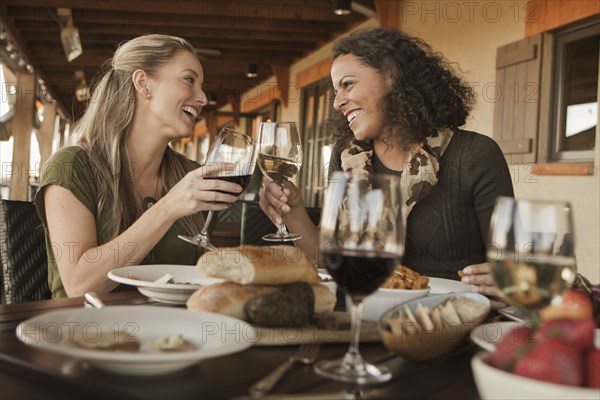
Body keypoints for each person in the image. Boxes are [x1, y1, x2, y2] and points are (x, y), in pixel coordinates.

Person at [259, 27, 514, 308]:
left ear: (392, 76)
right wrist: (293, 209)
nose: (337, 101)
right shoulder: (346, 158)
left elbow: (514, 269)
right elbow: (329, 259)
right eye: (335, 90)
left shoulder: (475, 155)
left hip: (448, 323)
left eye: (347, 84)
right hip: (359, 318)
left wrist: (508, 279)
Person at [35, 34, 243, 298]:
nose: (202, 98)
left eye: (201, 86)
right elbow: (80, 285)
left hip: (174, 334)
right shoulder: (73, 167)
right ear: (143, 83)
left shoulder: (191, 175)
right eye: (189, 80)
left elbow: (194, 281)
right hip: (86, 331)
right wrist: (168, 208)